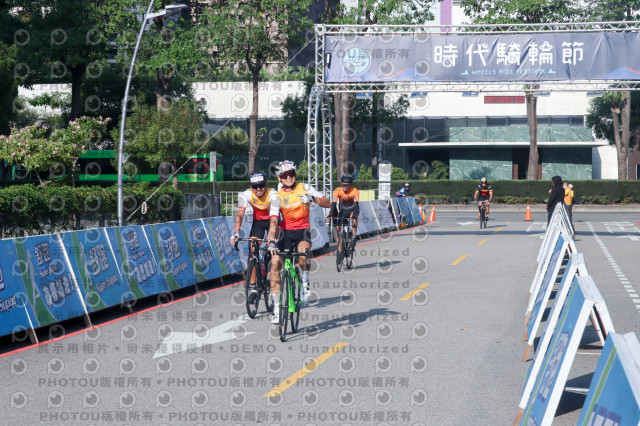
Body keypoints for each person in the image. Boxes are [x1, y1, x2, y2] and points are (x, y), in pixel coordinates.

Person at [267, 160, 331, 324]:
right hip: (285, 233)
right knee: (275, 265)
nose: (288, 177)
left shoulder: (305, 187)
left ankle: (305, 280)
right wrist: (272, 240)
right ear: (280, 178)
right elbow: (273, 221)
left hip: (303, 231)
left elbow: (328, 203)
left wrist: (312, 198)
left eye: (291, 174)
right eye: (284, 175)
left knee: (303, 255)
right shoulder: (277, 196)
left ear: (295, 175)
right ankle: (276, 309)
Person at [229, 170, 275, 304]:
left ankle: (270, 275)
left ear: (266, 184)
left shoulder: (272, 194)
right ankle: (254, 288)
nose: (259, 189)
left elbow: (275, 218)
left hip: (272, 221)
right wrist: (236, 233)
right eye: (255, 186)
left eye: (261, 185)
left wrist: (271, 239)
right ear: (251, 186)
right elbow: (240, 214)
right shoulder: (247, 194)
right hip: (258, 222)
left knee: (271, 247)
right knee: (252, 250)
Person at [327, 174, 360, 252]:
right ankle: (340, 250)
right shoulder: (337, 190)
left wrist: (354, 214)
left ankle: (354, 238)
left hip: (353, 208)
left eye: (347, 186)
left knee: (354, 218)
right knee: (338, 228)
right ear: (341, 184)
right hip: (343, 210)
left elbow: (356, 205)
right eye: (343, 185)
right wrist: (330, 214)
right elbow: (333, 204)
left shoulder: (355, 190)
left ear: (350, 185)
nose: (345, 187)